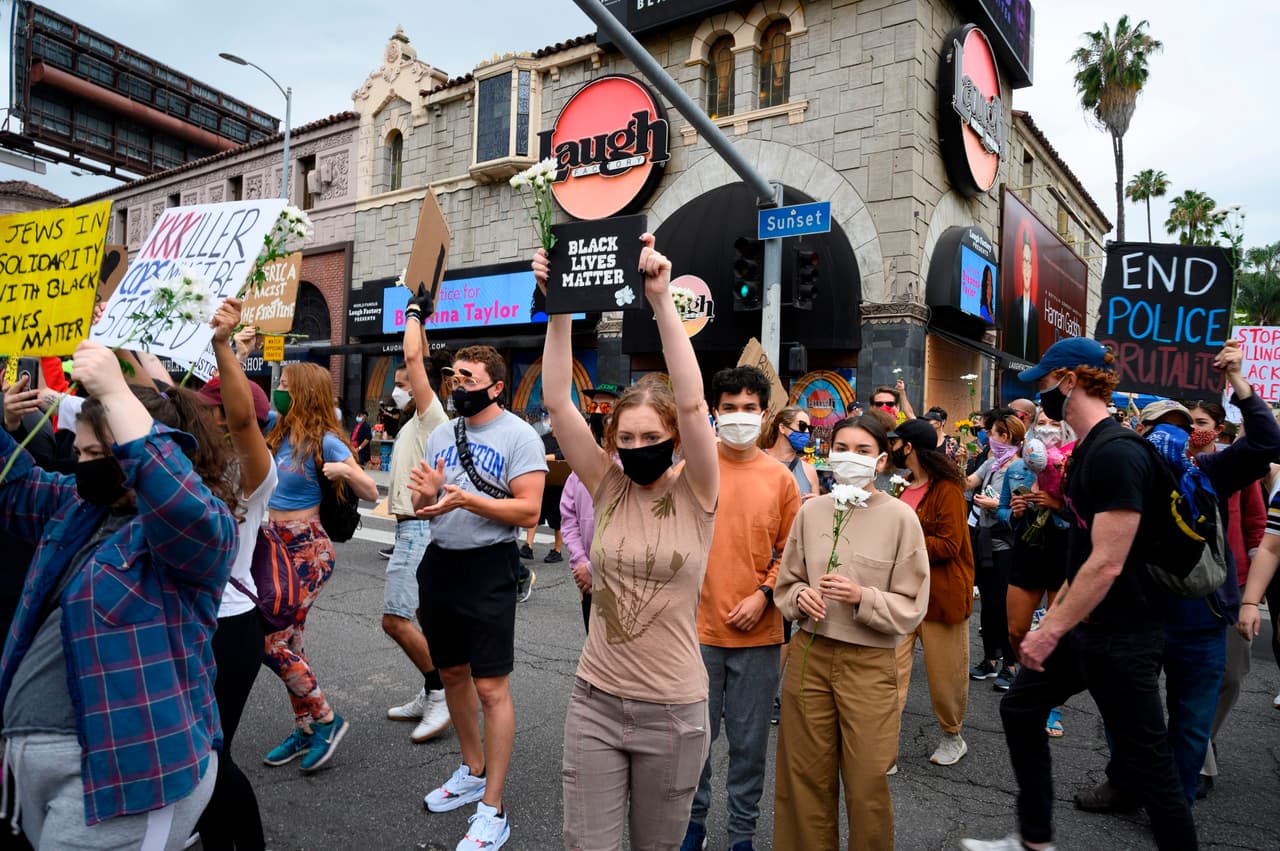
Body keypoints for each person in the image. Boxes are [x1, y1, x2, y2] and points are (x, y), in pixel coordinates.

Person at [960, 337, 1198, 851]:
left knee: (1150, 761)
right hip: (1088, 629)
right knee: (1021, 709)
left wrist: (1051, 631)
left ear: (1070, 381)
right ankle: (1034, 839)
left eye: (1046, 383)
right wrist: (1054, 625)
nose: (1041, 395)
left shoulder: (1116, 453)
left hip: (1124, 635)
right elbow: (1084, 552)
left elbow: (1108, 561)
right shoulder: (1090, 449)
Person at [0, 340, 237, 848]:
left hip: (128, 781)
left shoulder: (192, 534)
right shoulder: (82, 506)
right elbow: (13, 488)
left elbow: (178, 502)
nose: (81, 464)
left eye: (94, 454)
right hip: (41, 772)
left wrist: (114, 388)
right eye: (79, 451)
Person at [535, 236, 719, 850]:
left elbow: (693, 403)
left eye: (651, 436)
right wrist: (560, 305)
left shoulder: (699, 492)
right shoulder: (606, 484)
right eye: (627, 437)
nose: (638, 447)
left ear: (673, 437)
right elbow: (558, 401)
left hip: (673, 711)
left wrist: (662, 302)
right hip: (595, 701)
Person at [1078, 367, 1280, 811]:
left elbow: (1267, 441)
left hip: (1201, 622)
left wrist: (1239, 384)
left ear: (1196, 437)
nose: (1173, 435)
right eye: (1161, 427)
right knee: (1124, 712)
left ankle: (1174, 801)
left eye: (1182, 427)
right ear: (1139, 431)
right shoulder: (1124, 470)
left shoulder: (1211, 470)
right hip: (1134, 619)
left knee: (1190, 723)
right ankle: (1125, 784)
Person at [409, 344, 548, 851]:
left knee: (492, 688)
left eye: (467, 377)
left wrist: (469, 498)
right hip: (440, 562)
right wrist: (428, 495)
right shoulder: (444, 434)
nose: (456, 384)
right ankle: (472, 768)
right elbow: (426, 501)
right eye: (452, 376)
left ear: (495, 386)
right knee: (451, 675)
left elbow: (530, 512)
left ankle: (494, 806)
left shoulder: (519, 436)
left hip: (489, 567)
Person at [773, 414, 930, 851]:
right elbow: (786, 583)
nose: (850, 458)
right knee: (802, 779)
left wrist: (863, 597)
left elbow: (912, 605)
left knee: (867, 786)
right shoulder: (812, 511)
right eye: (841, 448)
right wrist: (799, 596)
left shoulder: (901, 519)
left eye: (863, 451)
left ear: (881, 461)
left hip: (869, 663)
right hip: (810, 653)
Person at [682, 367, 799, 851]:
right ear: (713, 411)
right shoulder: (690, 467)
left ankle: (742, 836)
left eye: (749, 408)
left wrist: (765, 594)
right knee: (694, 744)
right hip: (694, 634)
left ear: (765, 414)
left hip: (759, 637)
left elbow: (792, 552)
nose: (738, 417)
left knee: (750, 748)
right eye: (728, 408)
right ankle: (692, 826)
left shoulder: (781, 480)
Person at [262, 362, 379, 773]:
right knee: (290, 643)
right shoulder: (276, 427)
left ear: (304, 391)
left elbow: (370, 491)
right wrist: (234, 348)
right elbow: (238, 402)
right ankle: (305, 727)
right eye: (278, 383)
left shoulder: (326, 441)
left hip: (308, 550)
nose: (278, 389)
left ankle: (327, 719)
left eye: (285, 384)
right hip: (273, 547)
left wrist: (346, 468)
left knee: (269, 641)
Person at [193, 301, 278, 851]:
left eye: (208, 406)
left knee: (210, 752)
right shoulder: (191, 460)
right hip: (189, 623)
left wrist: (225, 347)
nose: (196, 413)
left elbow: (245, 417)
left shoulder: (253, 473)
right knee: (194, 746)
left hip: (230, 627)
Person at [381, 286, 453, 745]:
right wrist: (423, 321)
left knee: (395, 618)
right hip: (415, 529)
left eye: (405, 380)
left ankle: (438, 690)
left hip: (418, 530)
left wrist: (411, 311)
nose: (400, 385)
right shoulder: (419, 419)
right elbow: (417, 355)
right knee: (424, 618)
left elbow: (413, 357)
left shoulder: (431, 415)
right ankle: (434, 690)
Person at [889, 418, 975, 767]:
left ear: (909, 448)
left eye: (896, 443)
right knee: (888, 673)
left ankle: (953, 736)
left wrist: (900, 543)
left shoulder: (947, 490)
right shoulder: (902, 487)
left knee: (946, 676)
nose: (891, 448)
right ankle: (884, 745)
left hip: (941, 596)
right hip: (901, 595)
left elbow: (950, 545)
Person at [1193, 400, 1266, 796]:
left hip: (1231, 588)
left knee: (1231, 676)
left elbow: (1256, 526)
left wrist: (1254, 589)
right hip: (1186, 589)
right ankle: (1196, 756)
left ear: (1219, 429)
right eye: (1187, 424)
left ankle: (1203, 736)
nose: (1193, 430)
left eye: (1201, 423)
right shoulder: (1171, 465)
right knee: (1193, 678)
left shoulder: (1236, 471)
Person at [1002, 409, 1071, 738]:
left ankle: (1050, 704)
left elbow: (1090, 513)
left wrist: (1058, 505)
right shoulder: (1017, 467)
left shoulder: (1074, 465)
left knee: (1054, 631)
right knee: (1016, 629)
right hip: (1028, 552)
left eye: (1053, 424)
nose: (1046, 429)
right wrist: (1013, 512)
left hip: (1064, 553)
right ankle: (1026, 680)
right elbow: (1002, 510)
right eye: (1041, 423)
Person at [965, 411, 1026, 689]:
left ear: (1006, 437)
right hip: (985, 539)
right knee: (988, 604)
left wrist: (994, 506)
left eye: (993, 433)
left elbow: (1021, 508)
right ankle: (990, 659)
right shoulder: (991, 463)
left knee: (1004, 605)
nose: (989, 437)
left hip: (1007, 544)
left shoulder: (1021, 468)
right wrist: (955, 465)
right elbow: (968, 484)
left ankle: (1011, 664)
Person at [761, 404, 820, 498]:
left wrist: (815, 504)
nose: (807, 432)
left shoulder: (809, 471)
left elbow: (814, 510)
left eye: (809, 429)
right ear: (782, 428)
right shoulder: (756, 459)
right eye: (802, 426)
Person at [1004, 229, 1040, 362]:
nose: (1026, 267)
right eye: (1024, 261)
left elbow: (1035, 351)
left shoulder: (1034, 312)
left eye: (1029, 262)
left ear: (1032, 269)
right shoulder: (1015, 306)